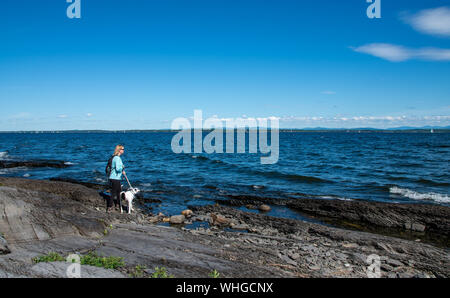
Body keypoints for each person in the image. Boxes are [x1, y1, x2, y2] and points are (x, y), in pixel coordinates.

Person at [107, 145, 126, 213]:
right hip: (115, 178)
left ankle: (118, 205)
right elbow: (118, 169)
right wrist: (122, 168)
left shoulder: (114, 157)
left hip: (114, 177)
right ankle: (110, 207)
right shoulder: (117, 158)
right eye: (122, 149)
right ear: (119, 150)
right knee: (114, 193)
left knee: (118, 192)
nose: (123, 150)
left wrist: (122, 169)